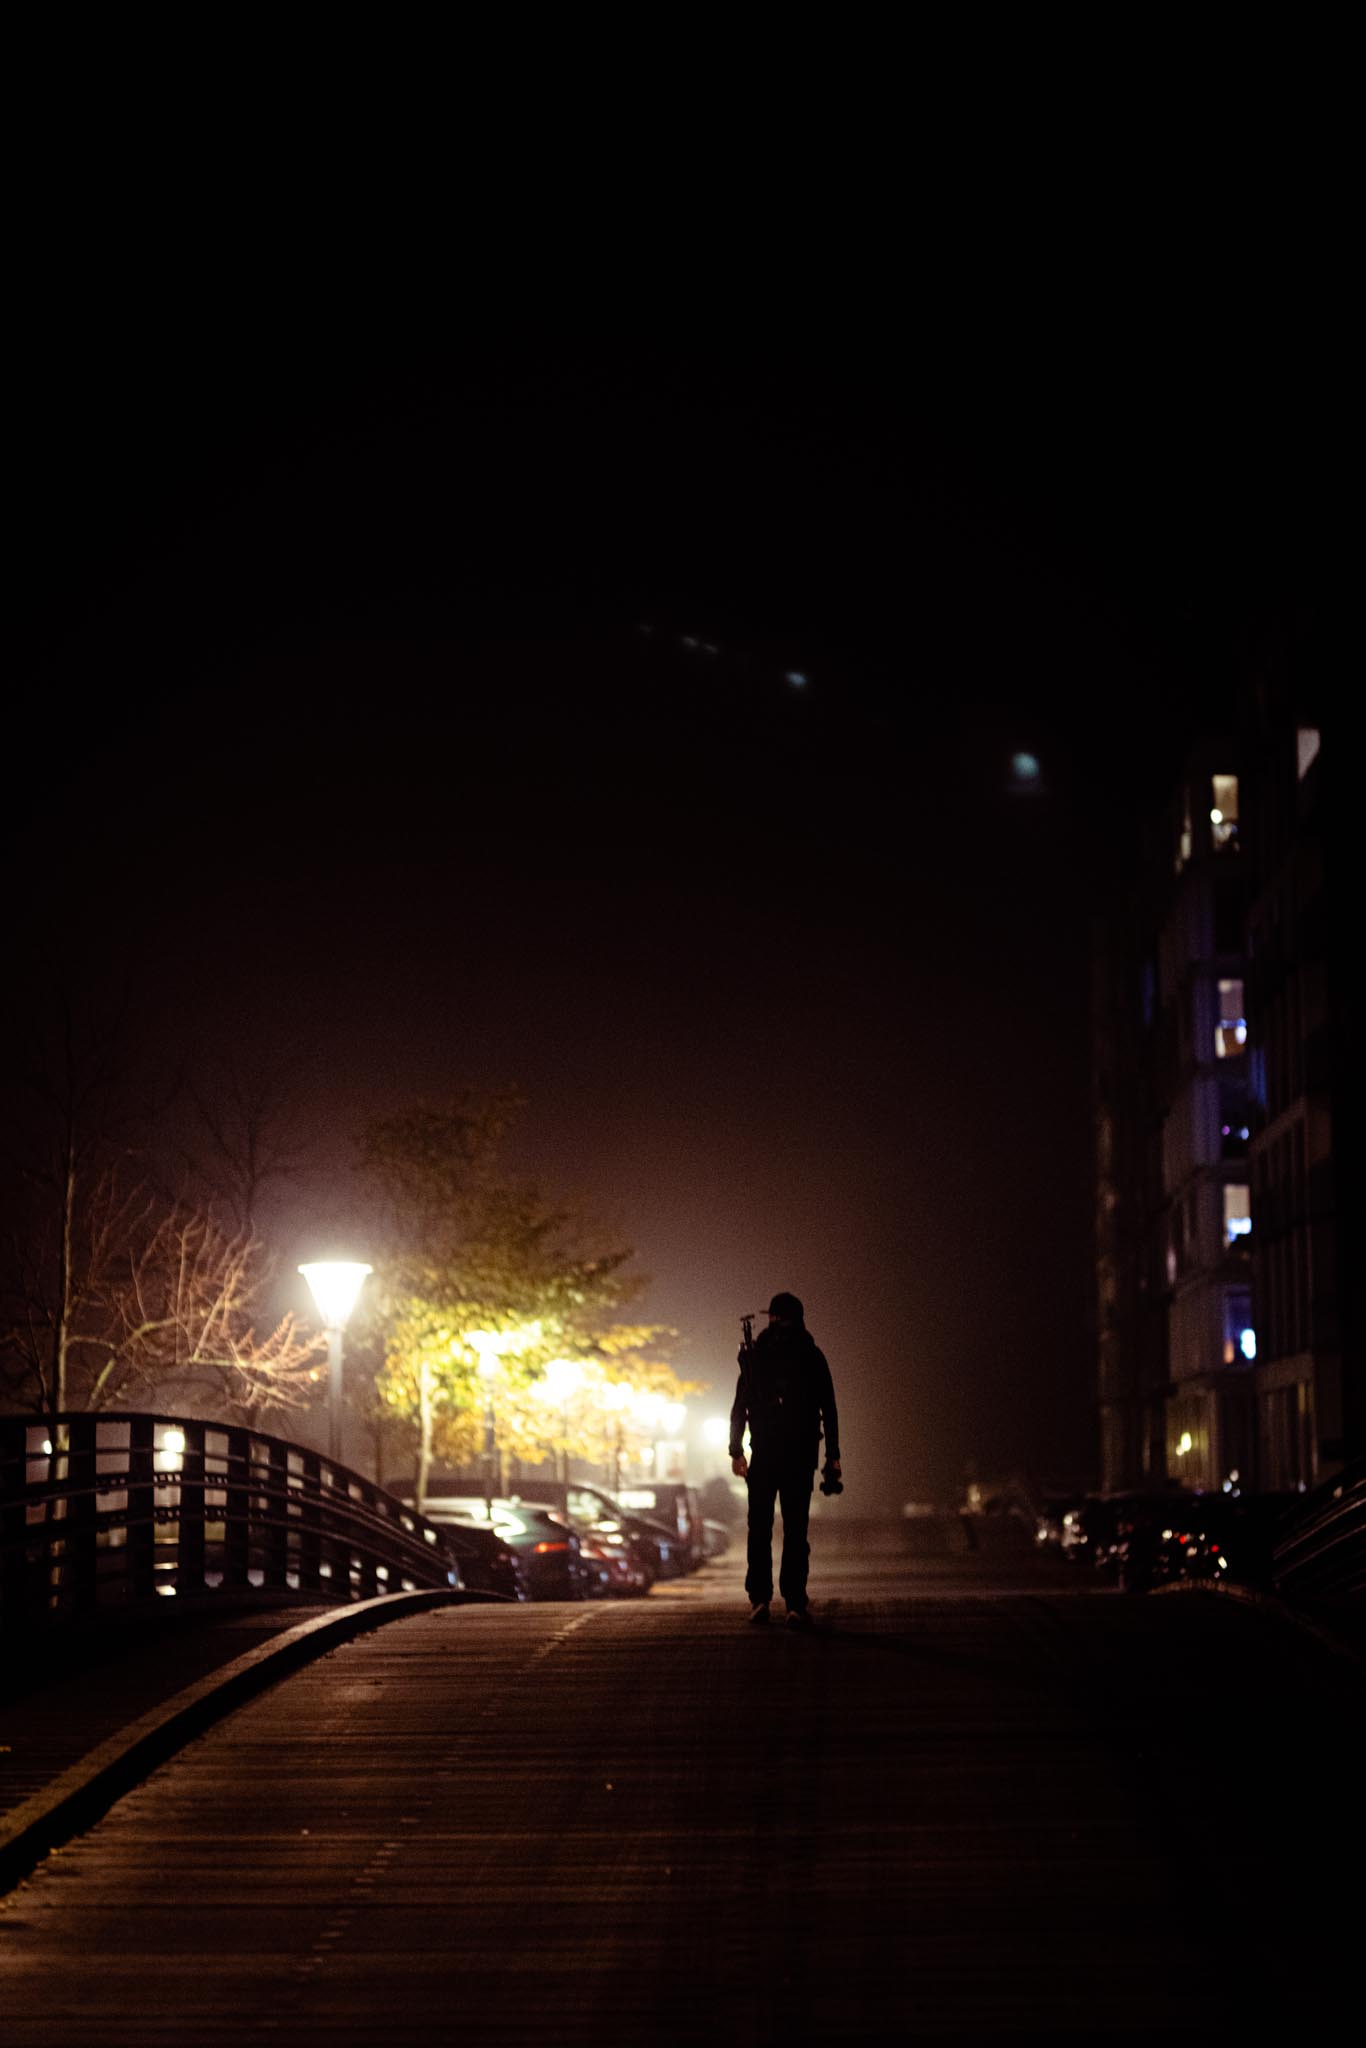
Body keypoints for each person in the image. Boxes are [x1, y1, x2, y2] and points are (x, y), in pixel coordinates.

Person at [729, 1291, 841, 1626]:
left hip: (764, 1454)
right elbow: (829, 1411)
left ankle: (760, 1599)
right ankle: (793, 1601)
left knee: (759, 1529)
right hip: (799, 1455)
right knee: (795, 1530)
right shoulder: (811, 1355)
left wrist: (736, 1451)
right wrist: (833, 1456)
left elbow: (739, 1408)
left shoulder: (756, 1356)